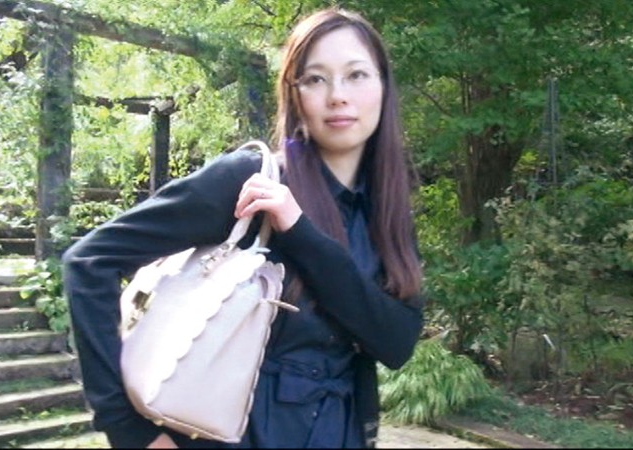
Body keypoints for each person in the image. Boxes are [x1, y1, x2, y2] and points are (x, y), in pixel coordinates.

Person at [62, 7, 424, 449]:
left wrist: (300, 232)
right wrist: (129, 430)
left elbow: (396, 344)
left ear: (383, 86)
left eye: (356, 75)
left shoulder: (385, 213)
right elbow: (89, 261)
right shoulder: (251, 181)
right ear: (294, 93)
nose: (337, 96)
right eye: (315, 79)